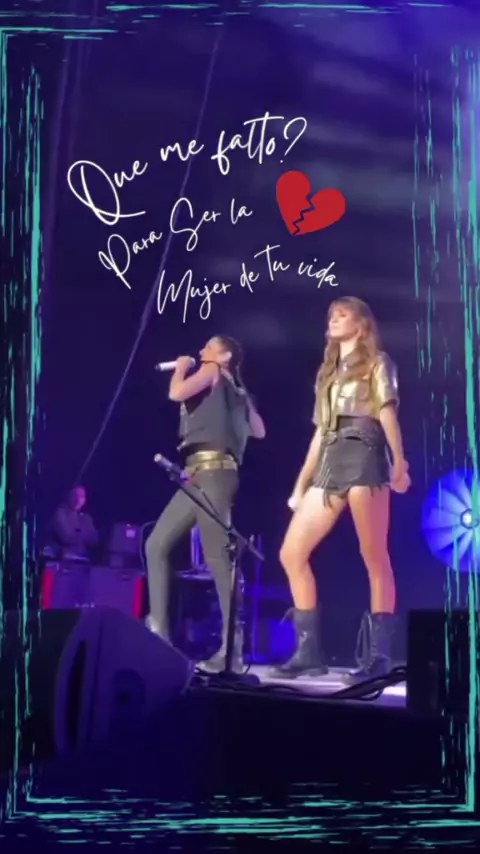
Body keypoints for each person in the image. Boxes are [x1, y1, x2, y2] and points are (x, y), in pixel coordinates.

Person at [273, 297, 410, 683]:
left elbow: (387, 413)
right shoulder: (328, 372)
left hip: (365, 452)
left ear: (362, 324)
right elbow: (320, 433)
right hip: (331, 458)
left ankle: (378, 657)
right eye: (331, 315)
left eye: (342, 314)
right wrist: (301, 483)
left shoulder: (378, 362)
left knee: (374, 555)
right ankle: (308, 653)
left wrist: (399, 462)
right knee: (291, 553)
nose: (333, 319)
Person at [145, 335, 266, 673]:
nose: (201, 351)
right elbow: (259, 431)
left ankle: (231, 649)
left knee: (217, 559)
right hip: (199, 475)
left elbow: (176, 393)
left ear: (224, 356)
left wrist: (181, 369)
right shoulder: (235, 389)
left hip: (213, 475)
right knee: (156, 545)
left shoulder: (212, 371)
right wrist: (240, 397)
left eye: (209, 347)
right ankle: (159, 635)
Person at [51, 485, 99, 560]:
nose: (77, 499)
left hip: (82, 558)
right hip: (63, 558)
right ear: (69, 496)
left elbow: (94, 538)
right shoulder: (60, 513)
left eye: (81, 497)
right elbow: (66, 537)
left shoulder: (86, 517)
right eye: (75, 496)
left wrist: (80, 534)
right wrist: (84, 534)